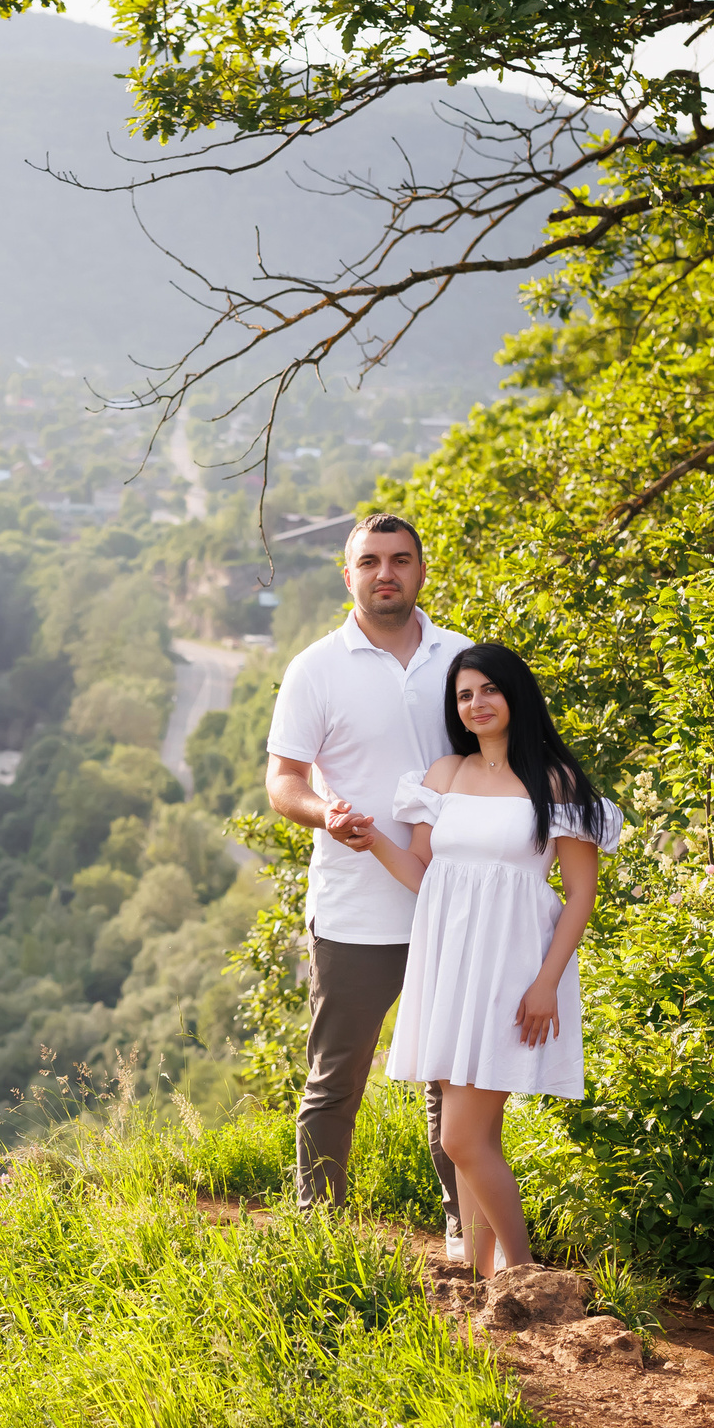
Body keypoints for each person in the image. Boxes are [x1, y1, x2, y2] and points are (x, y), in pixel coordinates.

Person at [358, 641, 616, 1276]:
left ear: (515, 694)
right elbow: (424, 875)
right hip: (450, 967)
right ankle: (480, 1277)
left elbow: (581, 896)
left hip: (513, 968)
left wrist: (546, 984)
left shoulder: (557, 783)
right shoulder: (446, 774)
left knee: (460, 1138)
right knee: (476, 1139)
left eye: (489, 689)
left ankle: (525, 1276)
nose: (476, 703)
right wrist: (370, 840)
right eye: (464, 695)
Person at [262, 513, 474, 1227]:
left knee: (452, 1076)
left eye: (401, 559)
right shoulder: (315, 668)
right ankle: (319, 1231)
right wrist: (325, 813)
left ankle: (463, 1227)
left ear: (421, 570)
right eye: (371, 561)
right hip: (355, 909)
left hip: (453, 901)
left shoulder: (463, 659)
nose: (386, 573)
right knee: (337, 1078)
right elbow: (283, 780)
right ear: (347, 574)